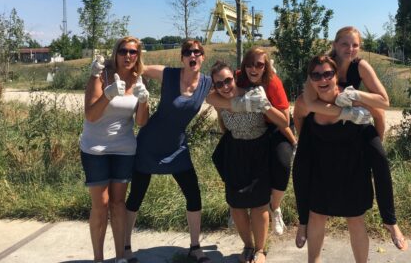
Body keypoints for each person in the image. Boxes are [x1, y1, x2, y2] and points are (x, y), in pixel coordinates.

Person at [296, 26, 408, 252]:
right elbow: (308, 104)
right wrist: (342, 113)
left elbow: (383, 103)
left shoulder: (361, 66)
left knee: (380, 159)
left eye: (355, 45)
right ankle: (303, 222)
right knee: (300, 167)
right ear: (335, 45)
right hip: (330, 119)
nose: (350, 49)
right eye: (345, 44)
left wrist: (357, 97)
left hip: (356, 118)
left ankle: (390, 221)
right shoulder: (322, 66)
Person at [124, 40, 213, 263]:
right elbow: (138, 67)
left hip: (177, 147)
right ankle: (125, 247)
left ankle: (195, 247)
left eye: (197, 52)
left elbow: (228, 91)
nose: (192, 55)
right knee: (136, 195)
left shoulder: (206, 83)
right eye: (187, 52)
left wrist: (245, 101)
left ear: (202, 57)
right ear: (182, 58)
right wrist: (133, 85)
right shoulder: (169, 74)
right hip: (149, 144)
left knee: (193, 194)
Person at [293, 55, 374, 263]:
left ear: (336, 76)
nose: (322, 79)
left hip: (351, 167)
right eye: (316, 75)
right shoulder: (305, 102)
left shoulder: (350, 98)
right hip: (321, 166)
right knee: (316, 215)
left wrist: (377, 144)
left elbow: (380, 111)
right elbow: (298, 120)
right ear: (310, 79)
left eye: (328, 74)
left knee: (355, 219)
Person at [208, 47, 293, 235]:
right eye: (249, 64)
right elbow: (211, 97)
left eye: (259, 65)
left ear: (266, 66)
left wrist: (265, 106)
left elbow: (285, 121)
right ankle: (235, 203)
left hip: (275, 124)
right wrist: (241, 104)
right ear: (243, 66)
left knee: (282, 162)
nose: (253, 69)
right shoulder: (237, 77)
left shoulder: (273, 83)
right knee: (219, 157)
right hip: (247, 125)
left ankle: (275, 207)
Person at [81, 36, 150, 263]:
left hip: (124, 149)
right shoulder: (101, 74)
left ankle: (121, 257)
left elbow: (141, 122)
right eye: (123, 51)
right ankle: (98, 259)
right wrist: (108, 94)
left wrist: (144, 100)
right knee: (100, 205)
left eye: (133, 52)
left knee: (118, 203)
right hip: (95, 149)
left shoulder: (138, 79)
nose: (127, 56)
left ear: (138, 55)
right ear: (116, 53)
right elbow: (91, 115)